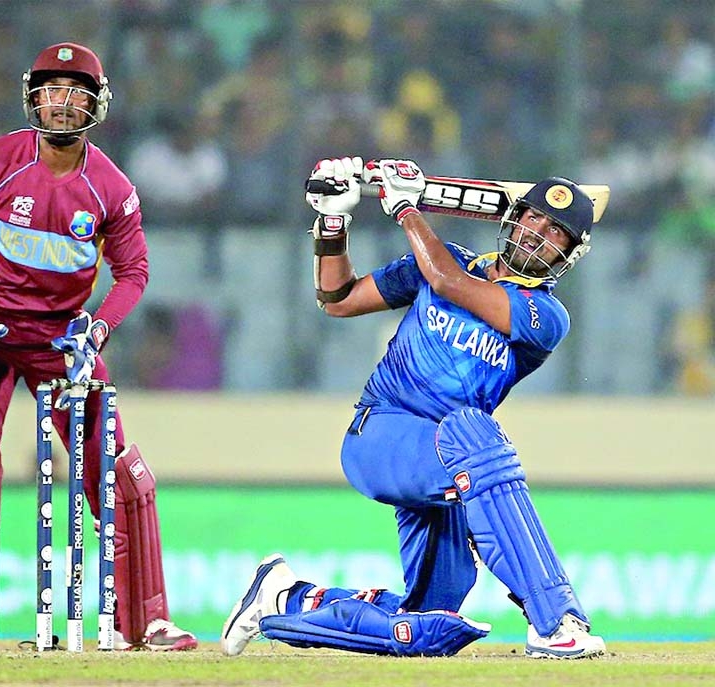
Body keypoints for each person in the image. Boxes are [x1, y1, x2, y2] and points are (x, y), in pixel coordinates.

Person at [220, 157, 607, 659]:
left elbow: (451, 285)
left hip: (445, 465)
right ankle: (555, 622)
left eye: (557, 232)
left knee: (427, 624)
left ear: (570, 255)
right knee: (475, 429)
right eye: (534, 217)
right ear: (512, 218)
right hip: (382, 434)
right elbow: (338, 298)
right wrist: (333, 224)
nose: (539, 233)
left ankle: (285, 598)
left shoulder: (546, 316)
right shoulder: (443, 259)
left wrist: (406, 208)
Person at [0, 42, 197, 653]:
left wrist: (97, 329)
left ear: (96, 103)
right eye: (51, 89)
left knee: (119, 472)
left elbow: (134, 272)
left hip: (62, 340)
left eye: (75, 91)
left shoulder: (112, 189)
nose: (61, 102)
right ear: (32, 96)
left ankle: (146, 618)